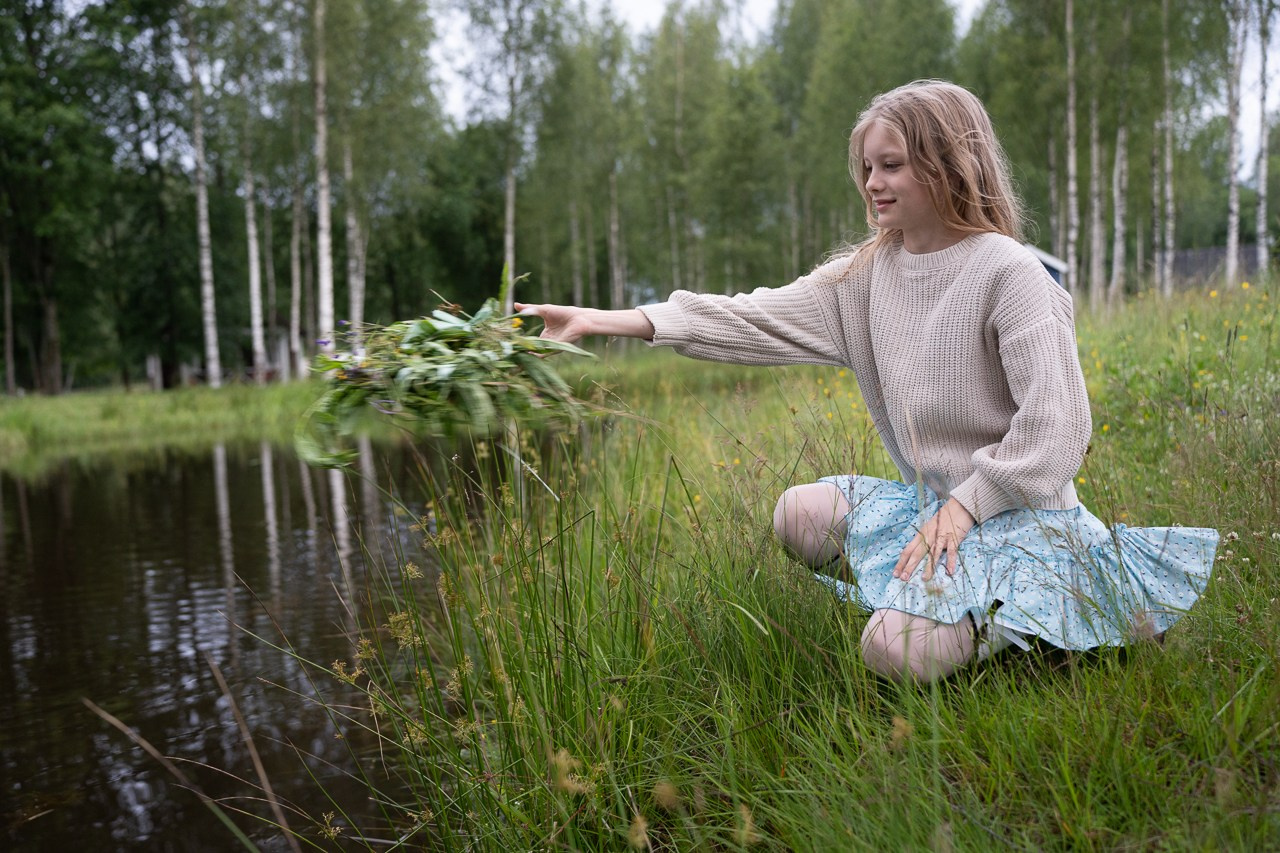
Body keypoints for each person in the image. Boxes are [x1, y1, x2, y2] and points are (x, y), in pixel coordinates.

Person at [516, 80, 1218, 683]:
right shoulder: (863, 277)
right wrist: (600, 320)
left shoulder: (1009, 273)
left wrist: (969, 505)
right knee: (798, 513)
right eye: (867, 167)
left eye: (891, 166)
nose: (872, 183)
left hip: (1023, 519)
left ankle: (1028, 623)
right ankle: (944, 604)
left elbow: (1057, 428)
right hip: (936, 509)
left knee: (889, 650)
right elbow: (750, 319)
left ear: (947, 167)